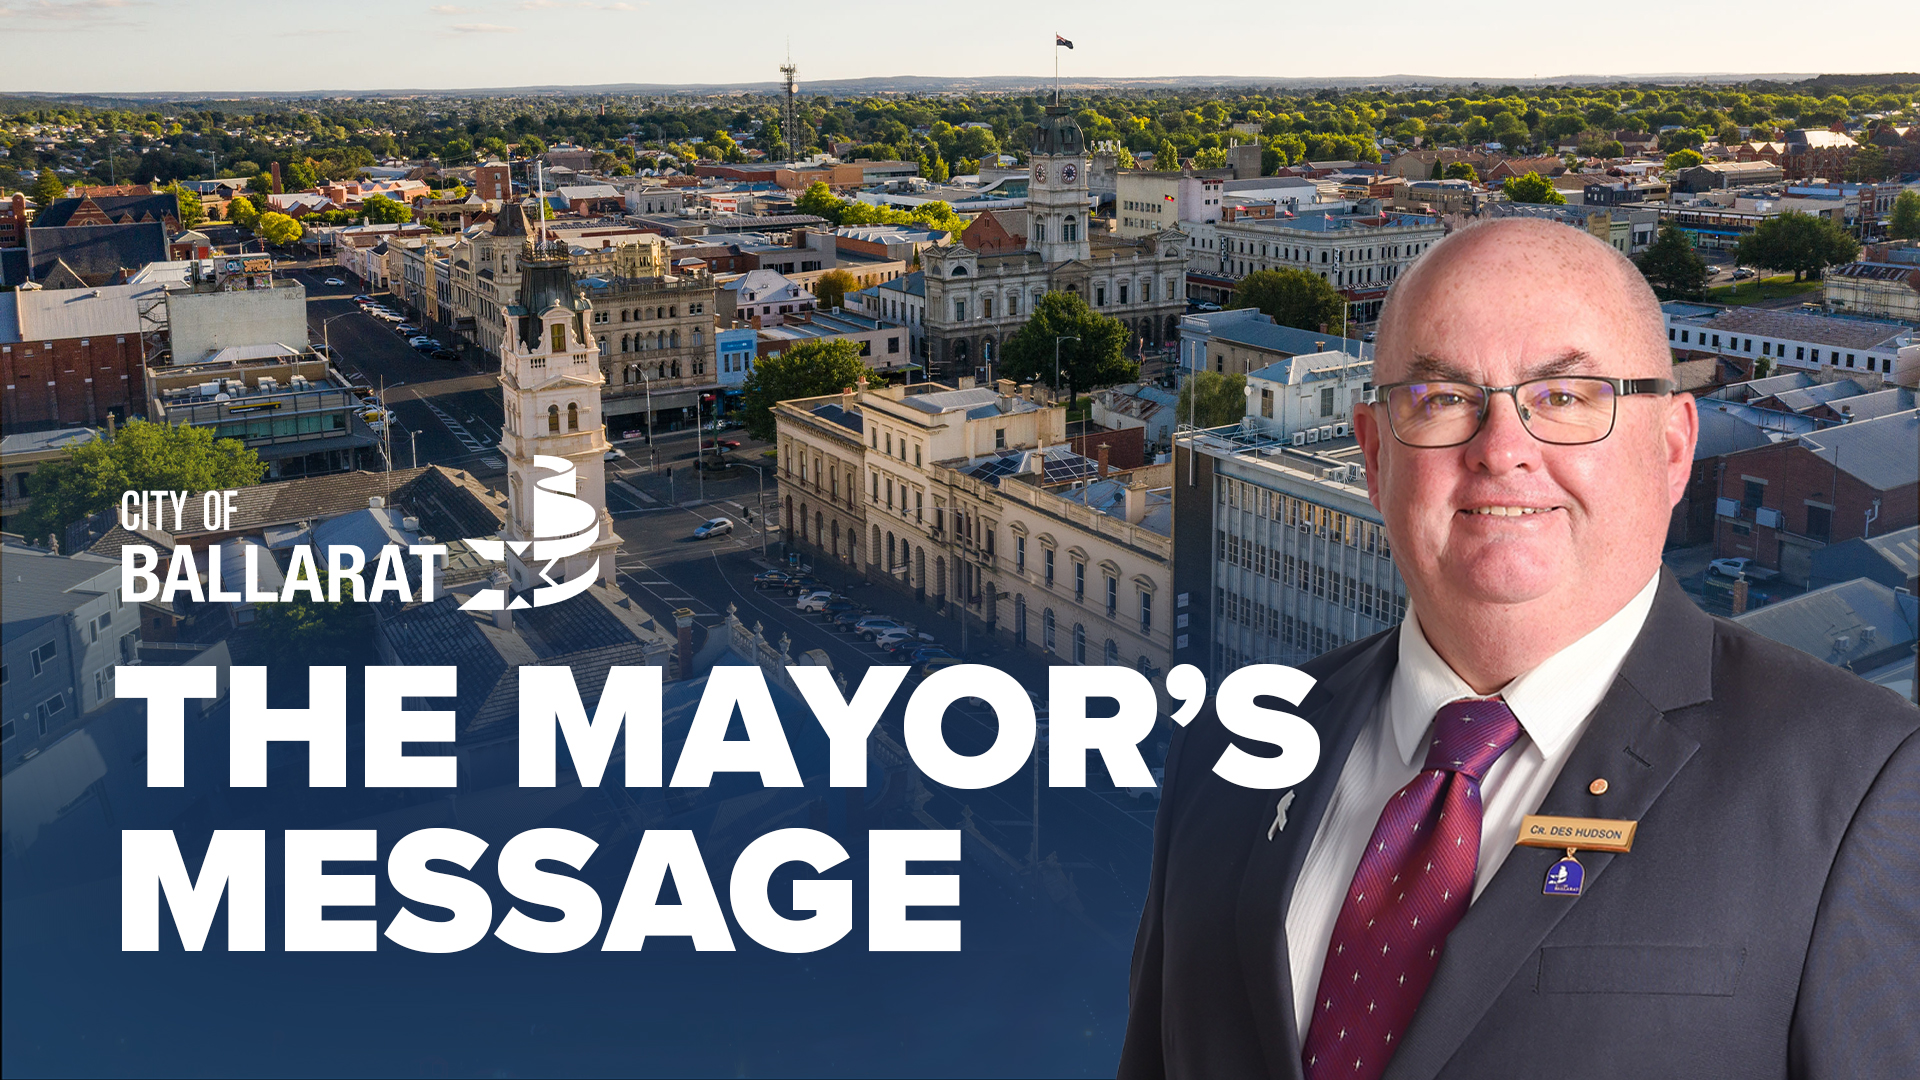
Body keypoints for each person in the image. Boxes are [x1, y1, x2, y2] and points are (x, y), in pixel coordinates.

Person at [1119, 219, 1918, 1080]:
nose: (1502, 451)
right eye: (1443, 400)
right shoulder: (1231, 749)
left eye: (1566, 398)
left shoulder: (1859, 786)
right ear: (1375, 451)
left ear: (1674, 446)